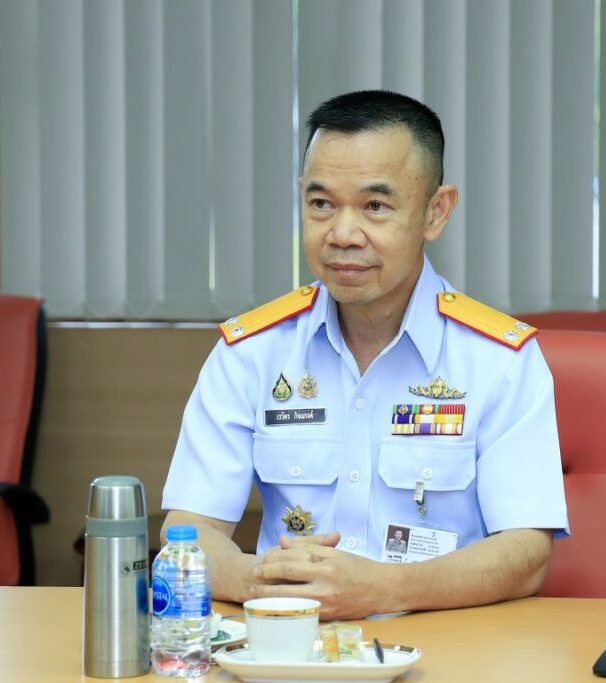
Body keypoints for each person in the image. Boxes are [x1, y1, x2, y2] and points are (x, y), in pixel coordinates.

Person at [161, 90, 568, 620]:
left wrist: (386, 590)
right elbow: (187, 532)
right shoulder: (252, 353)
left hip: (446, 642)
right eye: (321, 204)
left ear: (435, 212)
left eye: (375, 206)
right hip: (291, 642)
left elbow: (526, 553)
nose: (342, 234)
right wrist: (266, 583)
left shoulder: (499, 361)